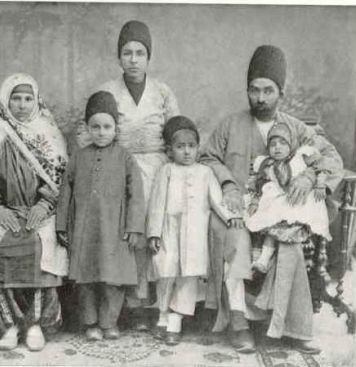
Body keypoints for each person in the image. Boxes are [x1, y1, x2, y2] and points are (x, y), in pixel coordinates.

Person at [199, 45, 343, 354]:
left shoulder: (296, 128)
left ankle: (292, 327)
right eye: (254, 90)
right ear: (247, 90)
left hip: (278, 211)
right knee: (235, 237)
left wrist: (307, 177)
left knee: (289, 241)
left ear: (281, 92)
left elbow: (331, 157)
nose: (260, 98)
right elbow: (207, 158)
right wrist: (228, 183)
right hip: (236, 207)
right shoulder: (230, 124)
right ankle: (238, 322)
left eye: (268, 90)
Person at [87, 20, 180, 331]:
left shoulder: (163, 92)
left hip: (157, 168)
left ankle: (154, 304)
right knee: (125, 236)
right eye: (127, 52)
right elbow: (86, 133)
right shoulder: (107, 91)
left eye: (140, 52)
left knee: (155, 234)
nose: (134, 59)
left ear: (149, 57)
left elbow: (177, 132)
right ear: (119, 57)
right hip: (119, 167)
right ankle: (126, 305)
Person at [0, 73, 68, 351]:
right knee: (0, 247)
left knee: (38, 246)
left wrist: (44, 204)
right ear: (6, 100)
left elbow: (59, 180)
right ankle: (8, 325)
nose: (22, 105)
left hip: (39, 211)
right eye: (16, 98)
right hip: (2, 211)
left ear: (36, 101)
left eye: (28, 99)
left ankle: (35, 323)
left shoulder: (49, 137)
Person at [56, 91, 145, 341]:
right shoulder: (78, 157)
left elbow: (136, 195)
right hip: (84, 230)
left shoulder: (126, 158)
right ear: (87, 128)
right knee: (85, 280)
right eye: (95, 126)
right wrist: (61, 225)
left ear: (116, 128)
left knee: (112, 279)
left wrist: (134, 227)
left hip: (114, 230)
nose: (102, 132)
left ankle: (109, 322)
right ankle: (91, 323)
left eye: (107, 126)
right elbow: (65, 192)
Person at [147, 116, 241, 346]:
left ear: (198, 148)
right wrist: (153, 233)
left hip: (194, 234)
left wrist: (232, 217)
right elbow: (157, 203)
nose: (187, 152)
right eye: (180, 147)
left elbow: (217, 200)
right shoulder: (166, 171)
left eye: (191, 146)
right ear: (170, 150)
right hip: (169, 230)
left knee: (188, 276)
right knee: (166, 273)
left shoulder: (205, 172)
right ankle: (161, 315)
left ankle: (175, 321)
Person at [246, 122, 331, 274]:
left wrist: (320, 183)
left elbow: (320, 166)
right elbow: (260, 184)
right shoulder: (267, 163)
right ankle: (260, 259)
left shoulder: (301, 156)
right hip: (276, 199)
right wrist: (254, 201)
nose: (277, 147)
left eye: (283, 143)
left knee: (285, 223)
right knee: (259, 220)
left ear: (291, 143)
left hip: (297, 199)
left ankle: (269, 260)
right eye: (273, 144)